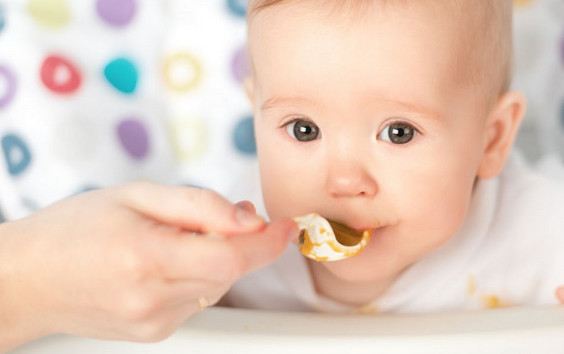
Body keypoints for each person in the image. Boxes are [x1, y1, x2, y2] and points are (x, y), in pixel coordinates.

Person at [2, 0, 564, 350]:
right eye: (302, 130)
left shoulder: (544, 234)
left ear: (491, 139)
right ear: (257, 110)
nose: (343, 180)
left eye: (398, 132)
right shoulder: (222, 256)